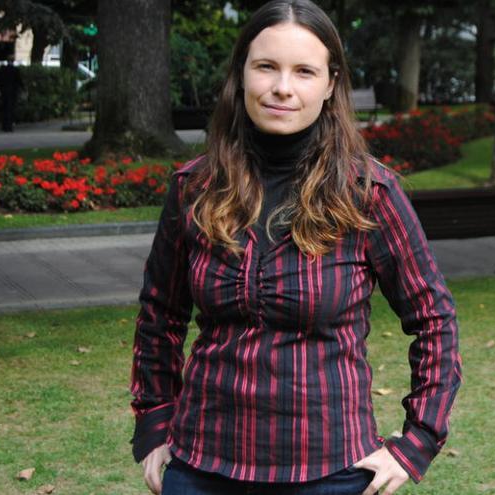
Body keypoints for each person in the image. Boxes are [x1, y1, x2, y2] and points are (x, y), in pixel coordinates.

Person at [129, 1, 462, 494]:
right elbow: (160, 314)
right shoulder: (195, 188)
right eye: (266, 66)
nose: (282, 87)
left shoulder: (369, 194)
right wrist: (155, 424)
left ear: (330, 85)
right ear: (241, 74)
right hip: (201, 467)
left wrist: (417, 442)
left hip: (332, 471)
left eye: (304, 71)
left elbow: (434, 320)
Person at [0, 56, 22, 132]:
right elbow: (19, 81)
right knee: (11, 109)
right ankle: (9, 126)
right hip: (12, 92)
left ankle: (4, 126)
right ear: (13, 61)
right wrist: (23, 89)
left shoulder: (2, 69)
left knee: (4, 108)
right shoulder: (15, 70)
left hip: (4, 92)